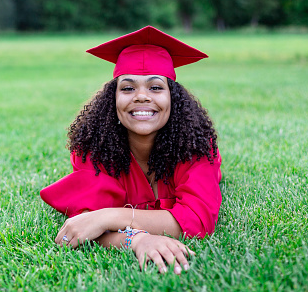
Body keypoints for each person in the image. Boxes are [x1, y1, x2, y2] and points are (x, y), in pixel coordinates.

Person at [40, 26, 222, 275]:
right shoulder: (94, 149)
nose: (141, 97)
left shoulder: (195, 146)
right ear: (112, 99)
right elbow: (85, 224)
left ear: (173, 98)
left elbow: (197, 220)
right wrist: (137, 240)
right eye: (128, 88)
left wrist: (107, 217)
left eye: (156, 87)